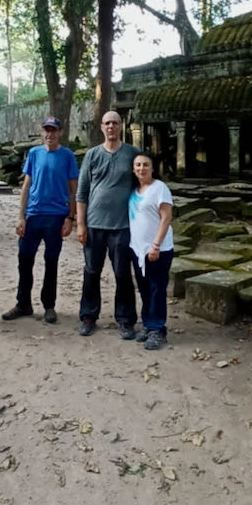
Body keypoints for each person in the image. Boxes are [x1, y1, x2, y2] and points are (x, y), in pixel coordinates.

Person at [4, 117, 77, 324]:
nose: (49, 135)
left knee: (51, 261)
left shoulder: (67, 156)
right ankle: (23, 303)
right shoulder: (35, 154)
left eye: (53, 131)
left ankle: (49, 305)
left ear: (60, 132)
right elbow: (26, 186)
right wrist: (21, 216)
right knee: (24, 260)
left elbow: (73, 188)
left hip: (56, 216)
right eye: (46, 130)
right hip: (34, 215)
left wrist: (71, 218)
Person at [76, 111, 140, 338]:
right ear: (101, 127)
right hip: (94, 224)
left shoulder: (132, 154)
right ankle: (88, 315)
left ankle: (125, 319)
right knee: (91, 271)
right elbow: (82, 192)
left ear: (121, 126)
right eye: (107, 123)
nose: (111, 126)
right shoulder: (92, 155)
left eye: (115, 123)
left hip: (122, 225)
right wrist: (80, 224)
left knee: (122, 272)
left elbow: (143, 186)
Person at [128, 151, 174, 350]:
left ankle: (158, 329)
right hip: (138, 250)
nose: (141, 168)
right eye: (138, 165)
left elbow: (166, 218)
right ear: (133, 169)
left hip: (158, 249)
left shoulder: (159, 188)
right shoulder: (134, 190)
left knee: (157, 288)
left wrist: (155, 245)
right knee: (145, 288)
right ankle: (148, 324)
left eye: (145, 165)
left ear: (152, 168)